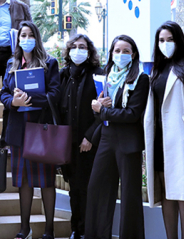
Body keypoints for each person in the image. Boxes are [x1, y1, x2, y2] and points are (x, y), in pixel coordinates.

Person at [144, 21, 184, 239]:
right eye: (161, 40)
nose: (165, 43)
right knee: (167, 194)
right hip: (160, 141)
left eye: (170, 39)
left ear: (179, 40)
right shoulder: (156, 69)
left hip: (183, 139)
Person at [0, 21, 60, 239]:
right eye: (22, 35)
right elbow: (3, 94)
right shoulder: (11, 63)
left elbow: (55, 94)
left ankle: (50, 230)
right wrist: (13, 102)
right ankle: (25, 228)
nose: (26, 39)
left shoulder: (50, 63)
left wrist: (30, 98)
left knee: (46, 182)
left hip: (41, 129)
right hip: (18, 130)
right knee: (23, 182)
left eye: (30, 34)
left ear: (37, 37)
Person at [85, 35, 149, 239]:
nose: (120, 55)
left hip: (128, 142)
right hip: (107, 137)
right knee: (97, 189)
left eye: (126, 51)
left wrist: (103, 111)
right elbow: (101, 109)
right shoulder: (106, 76)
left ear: (133, 54)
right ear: (111, 54)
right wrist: (98, 107)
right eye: (117, 51)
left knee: (130, 196)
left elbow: (132, 114)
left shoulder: (140, 78)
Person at [58, 34, 104, 239]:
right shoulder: (63, 75)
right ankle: (75, 229)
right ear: (68, 51)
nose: (78, 50)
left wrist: (90, 137)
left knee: (86, 188)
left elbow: (101, 111)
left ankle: (86, 230)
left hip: (88, 142)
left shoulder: (98, 74)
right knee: (73, 188)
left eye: (82, 46)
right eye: (74, 46)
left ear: (89, 51)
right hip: (67, 141)